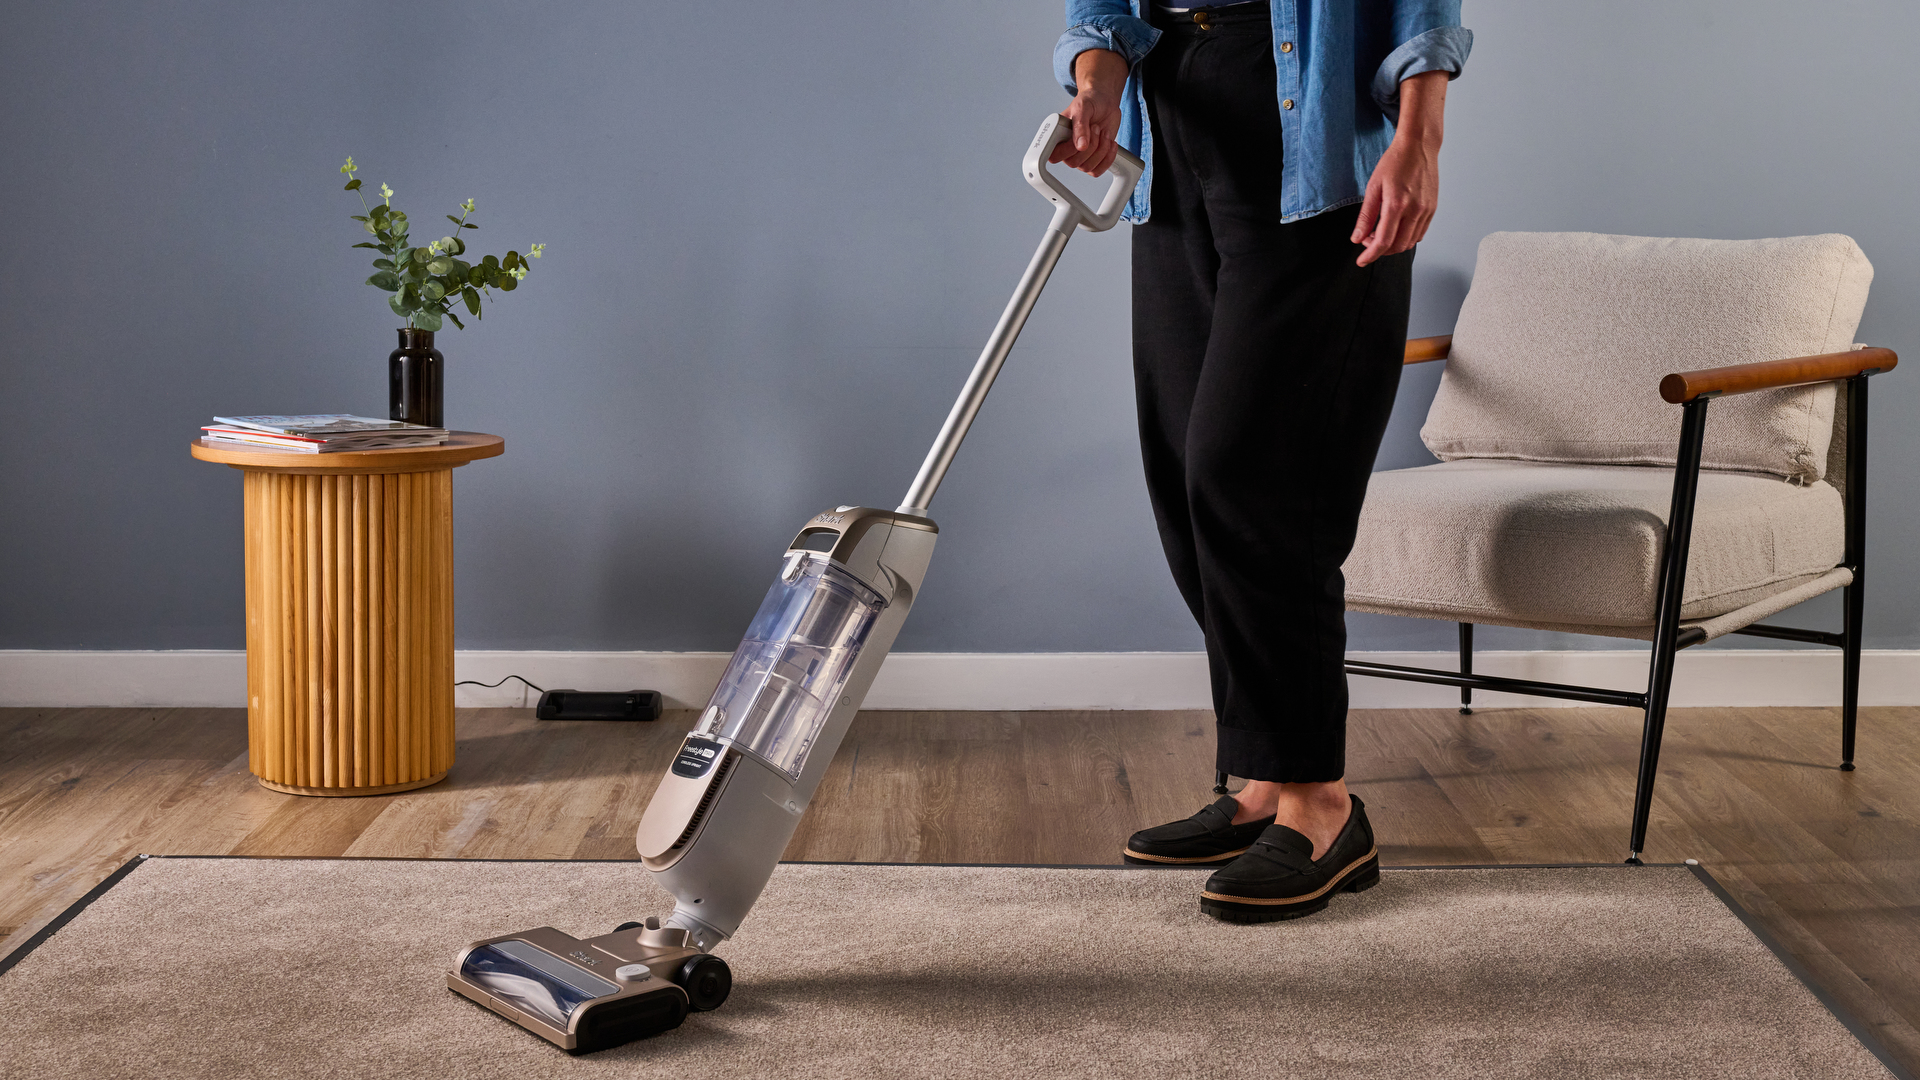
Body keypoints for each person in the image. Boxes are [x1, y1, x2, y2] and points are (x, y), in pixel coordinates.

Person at [1050, 1, 1470, 922]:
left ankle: (1320, 802)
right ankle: (1256, 782)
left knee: (1254, 482)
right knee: (1181, 479)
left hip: (1314, 156)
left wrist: (1420, 137)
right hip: (1174, 138)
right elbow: (1100, 7)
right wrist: (1096, 74)